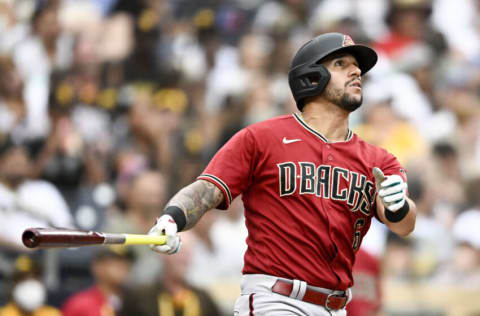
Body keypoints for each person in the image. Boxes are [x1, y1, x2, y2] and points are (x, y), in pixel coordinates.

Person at [148, 32, 417, 315]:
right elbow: (206, 190)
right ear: (312, 77)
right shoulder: (262, 138)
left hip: (336, 306)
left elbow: (404, 225)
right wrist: (172, 217)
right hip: (276, 300)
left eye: (357, 66)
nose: (356, 71)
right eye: (341, 64)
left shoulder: (379, 160)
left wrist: (398, 206)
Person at [61, 246, 133, 316]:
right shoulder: (80, 304)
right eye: (114, 262)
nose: (122, 267)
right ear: (97, 266)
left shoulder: (136, 302)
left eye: (125, 262)